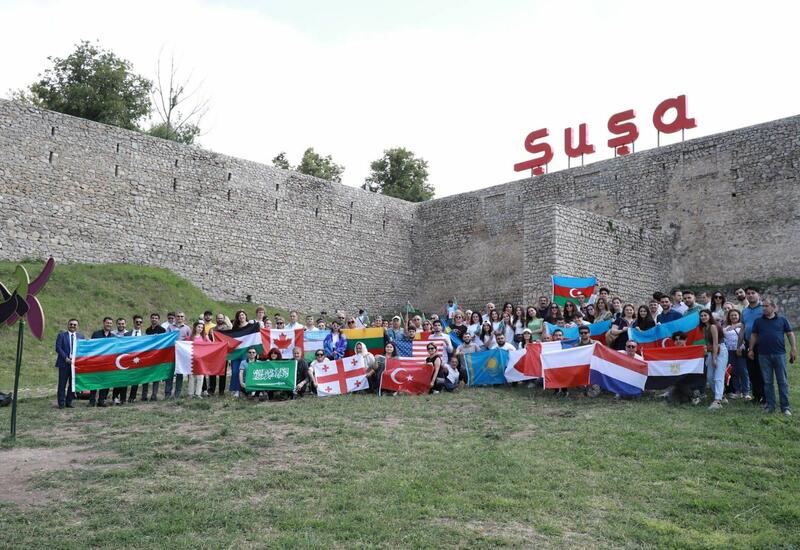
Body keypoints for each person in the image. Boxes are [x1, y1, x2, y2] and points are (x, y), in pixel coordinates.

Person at [750, 298, 796, 415]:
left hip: (779, 354)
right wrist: (750, 349)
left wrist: (793, 348)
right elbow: (754, 335)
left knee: (782, 381)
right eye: (763, 306)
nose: (764, 308)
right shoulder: (758, 321)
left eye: (766, 306)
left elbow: (790, 334)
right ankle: (770, 406)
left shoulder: (782, 320)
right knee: (767, 382)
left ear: (774, 307)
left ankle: (785, 407)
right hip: (763, 355)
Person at [739, 287, 765, 404]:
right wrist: (739, 345)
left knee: (762, 371)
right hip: (748, 344)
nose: (750, 295)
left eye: (753, 293)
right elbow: (743, 328)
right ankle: (756, 396)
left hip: (762, 344)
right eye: (748, 293)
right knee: (752, 371)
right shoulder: (745, 311)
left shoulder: (764, 308)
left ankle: (765, 396)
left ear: (758, 294)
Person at [699, 309, 727, 410]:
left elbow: (716, 343)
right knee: (710, 376)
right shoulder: (704, 328)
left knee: (718, 376)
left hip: (720, 351)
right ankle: (721, 395)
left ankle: (717, 401)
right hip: (712, 351)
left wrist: (714, 358)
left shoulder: (713, 326)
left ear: (709, 316)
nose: (703, 317)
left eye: (705, 315)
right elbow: (708, 343)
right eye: (701, 316)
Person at [55, 319, 84, 409]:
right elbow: (58, 348)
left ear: (77, 326)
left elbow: (82, 349)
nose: (72, 326)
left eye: (75, 325)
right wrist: (66, 358)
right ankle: (61, 403)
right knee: (62, 384)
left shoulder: (81, 336)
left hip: (75, 365)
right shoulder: (61, 335)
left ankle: (69, 402)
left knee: (72, 384)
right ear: (68, 325)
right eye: (71, 324)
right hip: (64, 363)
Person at [723, 309, 750, 400]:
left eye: (735, 315)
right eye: (731, 315)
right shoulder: (725, 327)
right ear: (729, 317)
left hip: (741, 351)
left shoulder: (743, 325)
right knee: (734, 371)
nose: (733, 317)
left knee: (743, 371)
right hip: (730, 351)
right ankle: (737, 391)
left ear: (739, 316)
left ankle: (746, 392)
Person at [88, 317, 115, 407]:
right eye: (107, 323)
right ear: (103, 323)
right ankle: (92, 401)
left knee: (105, 382)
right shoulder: (96, 334)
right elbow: (91, 346)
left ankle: (101, 401)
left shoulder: (113, 337)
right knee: (94, 381)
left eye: (110, 323)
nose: (109, 324)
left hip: (107, 364)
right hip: (96, 362)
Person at [165, 312, 191, 399]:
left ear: (184, 318)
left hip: (181, 354)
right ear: (175, 318)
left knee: (180, 373)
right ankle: (167, 394)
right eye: (178, 316)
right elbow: (166, 338)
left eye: (181, 316)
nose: (180, 318)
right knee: (170, 373)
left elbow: (190, 340)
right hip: (171, 353)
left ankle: (177, 394)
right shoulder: (170, 327)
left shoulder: (187, 328)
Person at [143, 313, 166, 401]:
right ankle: (144, 395)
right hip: (148, 355)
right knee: (146, 375)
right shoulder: (147, 330)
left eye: (156, 318)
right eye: (152, 318)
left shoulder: (162, 330)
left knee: (156, 376)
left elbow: (163, 342)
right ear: (150, 319)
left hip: (157, 355)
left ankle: (154, 395)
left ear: (158, 320)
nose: (154, 319)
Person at [126, 314, 146, 403]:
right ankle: (122, 397)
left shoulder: (145, 335)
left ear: (142, 323)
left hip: (139, 359)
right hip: (128, 358)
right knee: (125, 377)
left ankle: (132, 397)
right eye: (137, 322)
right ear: (133, 322)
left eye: (140, 322)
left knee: (136, 379)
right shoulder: (127, 334)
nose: (138, 323)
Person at [111, 317, 131, 405]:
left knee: (124, 379)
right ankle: (115, 397)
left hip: (125, 359)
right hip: (114, 358)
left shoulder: (129, 334)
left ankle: (123, 398)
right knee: (117, 379)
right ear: (116, 324)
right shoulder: (112, 334)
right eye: (119, 324)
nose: (121, 325)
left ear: (125, 324)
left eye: (122, 324)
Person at [186, 321, 207, 399]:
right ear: (195, 327)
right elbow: (185, 347)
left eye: (202, 328)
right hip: (192, 360)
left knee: (200, 377)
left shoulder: (204, 338)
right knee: (191, 377)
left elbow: (210, 346)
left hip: (201, 360)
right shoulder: (190, 337)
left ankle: (198, 394)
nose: (200, 329)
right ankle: (190, 394)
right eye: (199, 327)